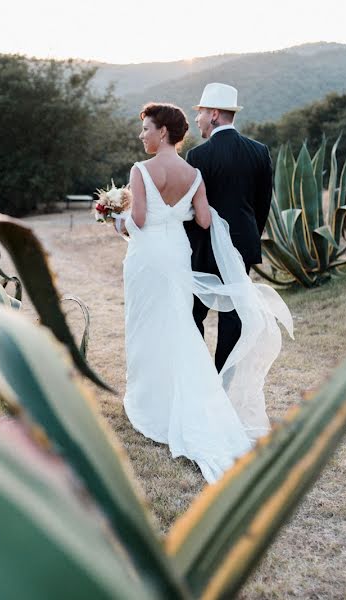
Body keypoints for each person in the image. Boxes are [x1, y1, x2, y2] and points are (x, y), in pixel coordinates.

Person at [116, 101, 292, 483]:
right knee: (179, 325)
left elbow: (140, 220)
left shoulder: (140, 170)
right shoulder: (194, 173)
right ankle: (201, 400)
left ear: (163, 131)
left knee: (146, 325)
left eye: (145, 128)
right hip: (179, 254)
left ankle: (151, 403)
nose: (142, 134)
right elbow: (206, 218)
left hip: (149, 257)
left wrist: (117, 219)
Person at [185, 83, 274, 373]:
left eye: (200, 113)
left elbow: (192, 209)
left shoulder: (198, 157)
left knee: (193, 312)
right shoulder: (259, 151)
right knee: (234, 314)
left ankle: (203, 376)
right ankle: (224, 378)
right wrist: (247, 238)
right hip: (243, 244)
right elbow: (263, 205)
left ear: (213, 115)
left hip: (205, 245)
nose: (196, 119)